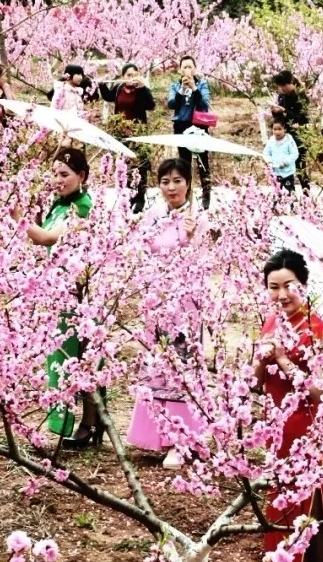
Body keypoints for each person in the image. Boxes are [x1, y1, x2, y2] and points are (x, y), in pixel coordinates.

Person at [254, 249, 323, 562]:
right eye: (273, 287)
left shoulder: (317, 329)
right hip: (278, 432)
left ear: (303, 286)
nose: (281, 295)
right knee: (283, 510)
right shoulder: (271, 323)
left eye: (288, 286)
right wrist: (261, 360)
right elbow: (254, 383)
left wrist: (284, 360)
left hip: (307, 431)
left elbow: (322, 391)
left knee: (314, 514)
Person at [126, 158, 210, 468]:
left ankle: (183, 440)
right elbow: (142, 253)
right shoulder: (152, 217)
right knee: (157, 368)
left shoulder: (199, 219)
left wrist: (190, 239)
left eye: (177, 181)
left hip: (184, 306)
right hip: (156, 301)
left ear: (188, 183)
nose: (171, 187)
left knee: (181, 370)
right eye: (165, 181)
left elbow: (202, 265)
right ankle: (157, 435)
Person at [25, 147, 102, 447]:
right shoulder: (58, 205)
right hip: (56, 290)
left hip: (76, 292)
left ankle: (87, 423)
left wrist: (18, 218)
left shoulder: (82, 207)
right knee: (62, 358)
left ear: (81, 176)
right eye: (55, 174)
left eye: (65, 174)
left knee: (77, 357)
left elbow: (45, 238)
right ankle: (74, 424)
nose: (58, 179)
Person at [100, 63, 156, 213]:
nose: (132, 78)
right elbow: (108, 97)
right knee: (124, 165)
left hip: (138, 132)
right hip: (121, 133)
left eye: (134, 74)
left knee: (140, 164)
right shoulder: (119, 88)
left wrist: (143, 88)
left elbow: (150, 105)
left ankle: (140, 198)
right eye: (128, 75)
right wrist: (102, 85)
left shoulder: (141, 90)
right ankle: (129, 196)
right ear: (123, 76)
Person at [167, 56, 212, 210]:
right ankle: (185, 195)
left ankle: (206, 194)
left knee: (202, 161)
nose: (187, 70)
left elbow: (204, 103)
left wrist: (194, 88)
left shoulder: (202, 84)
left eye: (190, 66)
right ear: (180, 70)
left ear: (195, 69)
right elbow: (172, 104)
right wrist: (182, 90)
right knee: (184, 162)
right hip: (181, 125)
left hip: (199, 125)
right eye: (184, 67)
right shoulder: (175, 85)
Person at [271, 70, 310, 191]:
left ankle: (306, 194)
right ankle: (289, 195)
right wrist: (275, 111)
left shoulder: (300, 96)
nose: (282, 88)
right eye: (280, 86)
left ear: (291, 82)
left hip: (298, 136)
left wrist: (285, 111)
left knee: (299, 167)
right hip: (284, 137)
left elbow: (303, 119)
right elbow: (280, 119)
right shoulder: (282, 96)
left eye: (284, 85)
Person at [264, 117, 299, 193]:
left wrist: (286, 162)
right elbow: (266, 153)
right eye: (275, 129)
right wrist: (269, 162)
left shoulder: (289, 140)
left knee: (290, 193)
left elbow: (294, 153)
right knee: (276, 194)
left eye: (279, 129)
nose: (277, 132)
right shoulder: (271, 141)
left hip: (287, 172)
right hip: (275, 172)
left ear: (285, 129)